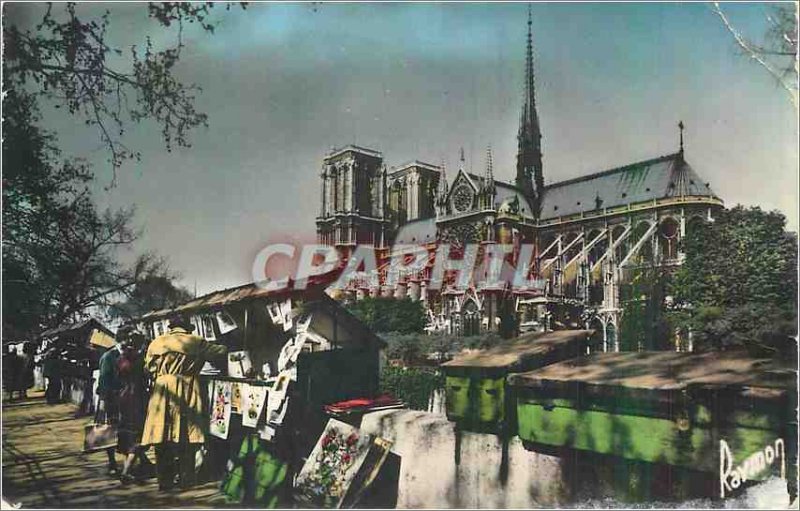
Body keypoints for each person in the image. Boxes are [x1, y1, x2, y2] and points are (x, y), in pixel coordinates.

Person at [141, 315, 227, 491]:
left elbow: (148, 368)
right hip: (186, 388)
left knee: (161, 435)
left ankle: (164, 481)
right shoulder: (195, 341)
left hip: (162, 390)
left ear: (170, 327)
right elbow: (220, 352)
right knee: (186, 436)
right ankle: (185, 480)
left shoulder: (156, 343)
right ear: (188, 328)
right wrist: (227, 342)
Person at [116, 327, 154, 484]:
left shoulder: (120, 359)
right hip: (138, 398)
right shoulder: (139, 360)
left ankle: (137, 464)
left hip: (124, 397)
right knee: (139, 434)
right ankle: (126, 471)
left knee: (127, 432)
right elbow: (146, 375)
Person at [96, 336, 125, 475]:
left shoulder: (130, 355)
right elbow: (103, 381)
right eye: (127, 339)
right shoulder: (109, 357)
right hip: (111, 399)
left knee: (129, 429)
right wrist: (103, 403)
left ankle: (137, 460)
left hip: (127, 399)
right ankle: (112, 462)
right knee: (109, 429)